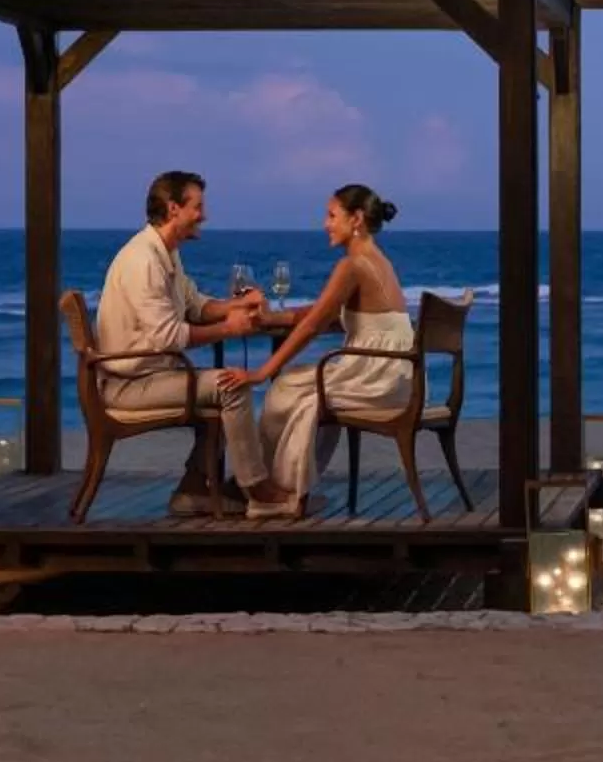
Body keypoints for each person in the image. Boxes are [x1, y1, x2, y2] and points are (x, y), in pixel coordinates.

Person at [95, 169, 282, 516]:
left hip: (152, 375)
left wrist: (236, 306)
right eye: (197, 206)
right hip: (129, 384)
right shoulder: (142, 260)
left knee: (222, 384)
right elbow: (168, 336)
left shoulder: (165, 252)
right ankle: (257, 489)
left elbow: (194, 305)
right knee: (232, 385)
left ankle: (193, 490)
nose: (203, 215)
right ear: (173, 209)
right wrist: (230, 328)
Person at [223, 183, 414, 520]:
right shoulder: (376, 260)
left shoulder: (353, 265)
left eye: (331, 216)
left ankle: (280, 491)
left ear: (356, 219)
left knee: (286, 387)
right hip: (396, 374)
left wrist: (260, 373)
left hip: (377, 375)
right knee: (300, 385)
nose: (326, 224)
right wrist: (272, 318)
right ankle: (274, 486)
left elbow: (312, 325)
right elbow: (325, 314)